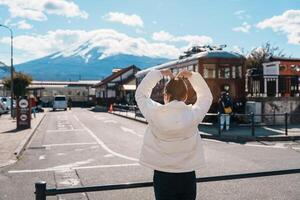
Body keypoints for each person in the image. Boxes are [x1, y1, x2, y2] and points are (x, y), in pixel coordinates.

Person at [135, 69, 213, 200]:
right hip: (187, 174)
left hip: (162, 174)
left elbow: (140, 95)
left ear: (166, 95)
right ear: (185, 96)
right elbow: (206, 97)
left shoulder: (155, 113)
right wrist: (193, 76)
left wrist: (159, 73)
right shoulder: (193, 115)